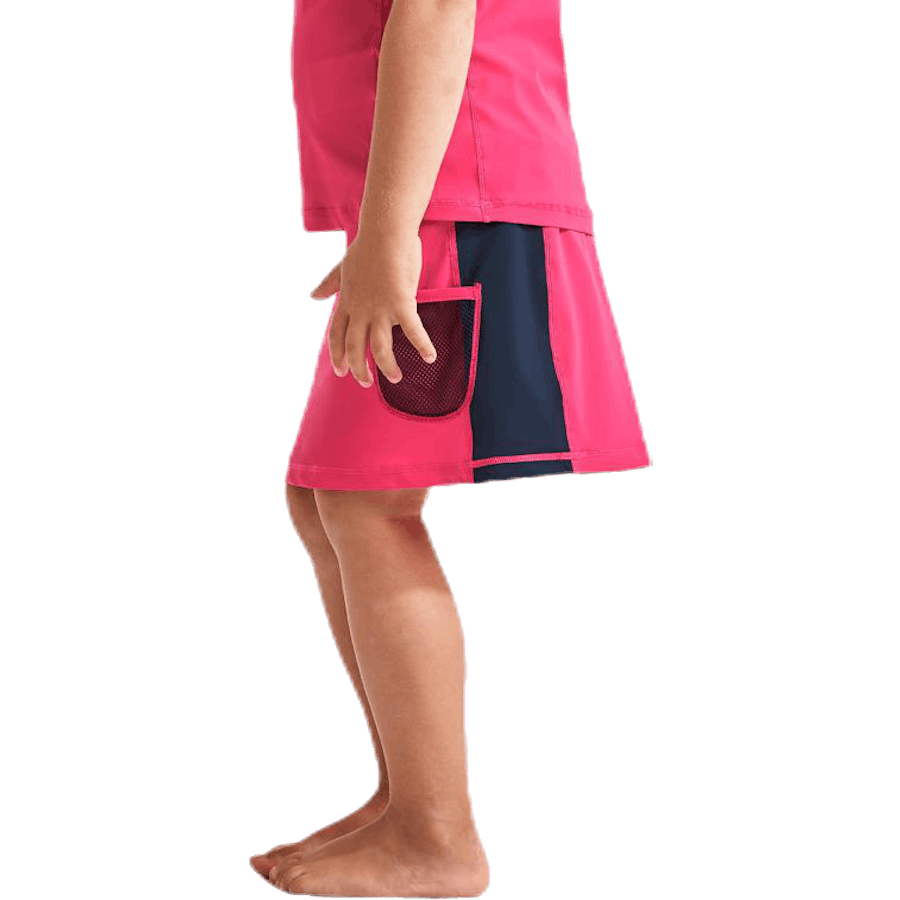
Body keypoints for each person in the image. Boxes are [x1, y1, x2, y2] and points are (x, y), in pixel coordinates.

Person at [252, 0, 652, 895]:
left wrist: (390, 232)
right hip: (428, 199)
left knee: (364, 501)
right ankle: (405, 800)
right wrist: (375, 228)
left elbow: (437, 9)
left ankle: (436, 834)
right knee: (323, 495)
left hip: (455, 201)